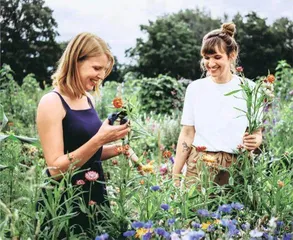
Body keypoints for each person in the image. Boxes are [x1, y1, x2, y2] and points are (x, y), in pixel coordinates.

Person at [36, 32, 133, 237]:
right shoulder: (52, 102)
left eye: (104, 70)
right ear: (74, 61)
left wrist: (120, 148)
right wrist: (100, 138)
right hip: (65, 200)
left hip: (93, 192)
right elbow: (55, 169)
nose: (100, 75)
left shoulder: (86, 99)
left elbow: (89, 153)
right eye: (96, 68)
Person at [172, 23, 263, 188]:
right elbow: (187, 134)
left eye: (217, 57)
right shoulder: (195, 89)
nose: (210, 63)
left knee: (237, 213)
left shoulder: (250, 89)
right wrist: (176, 174)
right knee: (195, 212)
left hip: (237, 166)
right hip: (200, 165)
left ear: (232, 55)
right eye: (207, 57)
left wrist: (254, 141)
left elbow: (257, 133)